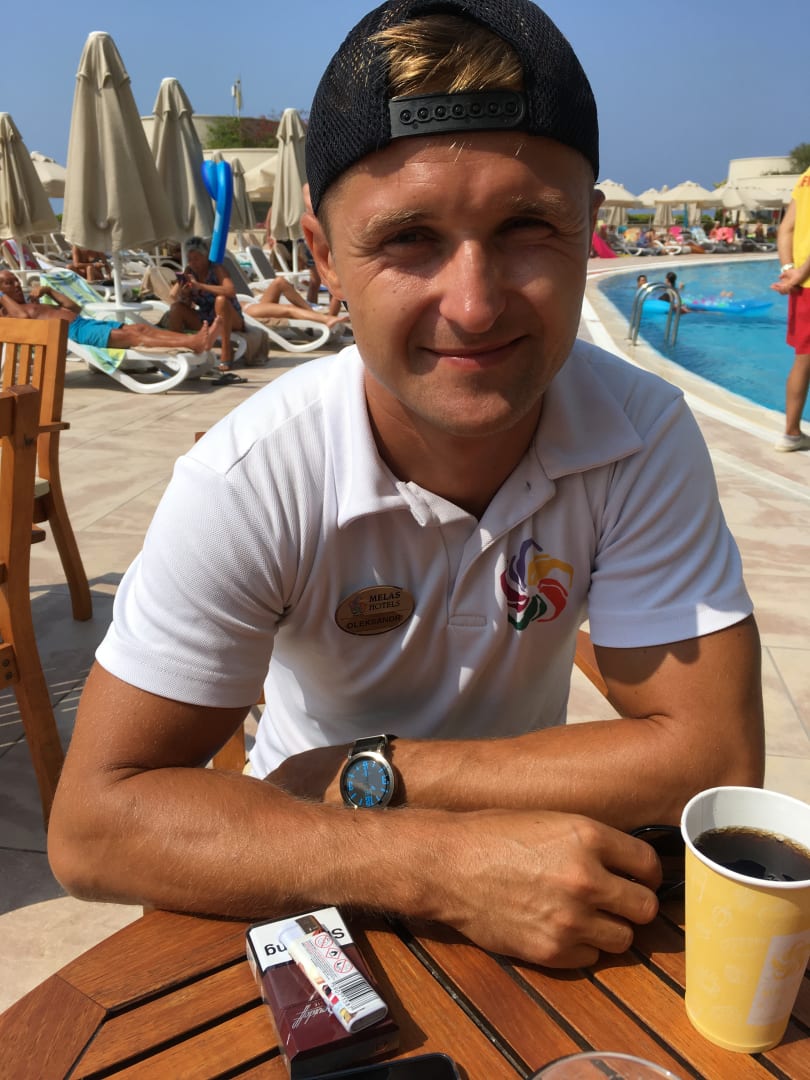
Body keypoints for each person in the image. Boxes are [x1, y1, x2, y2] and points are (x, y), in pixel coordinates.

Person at [48, 0, 763, 970]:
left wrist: (379, 772)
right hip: (307, 871)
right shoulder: (255, 475)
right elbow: (93, 825)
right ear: (324, 258)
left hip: (408, 830)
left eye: (527, 226)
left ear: (589, 229)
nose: (474, 305)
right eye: (409, 239)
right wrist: (437, 863)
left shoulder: (638, 436)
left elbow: (715, 759)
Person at [0, 270, 220, 353]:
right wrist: (3, 296)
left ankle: (194, 341)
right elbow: (22, 318)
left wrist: (49, 290)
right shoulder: (10, 313)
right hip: (75, 334)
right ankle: (193, 343)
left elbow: (74, 307)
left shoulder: (31, 303)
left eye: (16, 280)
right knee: (134, 337)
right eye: (9, 283)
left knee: (140, 328)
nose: (17, 285)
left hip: (84, 323)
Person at [770, 168, 810, 451]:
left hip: (802, 287)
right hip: (804, 277)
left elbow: (786, 228)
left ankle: (792, 433)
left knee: (803, 360)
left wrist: (789, 270)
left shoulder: (806, 176)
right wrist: (799, 273)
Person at [168, 236, 244, 373]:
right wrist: (185, 292)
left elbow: (230, 291)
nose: (193, 263)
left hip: (231, 318)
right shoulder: (190, 272)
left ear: (206, 257)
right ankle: (178, 351)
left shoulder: (217, 269)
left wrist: (200, 286)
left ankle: (227, 351)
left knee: (221, 300)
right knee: (176, 308)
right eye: (190, 259)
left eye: (196, 258)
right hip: (207, 319)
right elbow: (173, 295)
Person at [244, 277, 351, 331]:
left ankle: (312, 313)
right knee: (289, 309)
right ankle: (326, 319)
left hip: (251, 303)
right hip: (245, 310)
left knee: (280, 281)